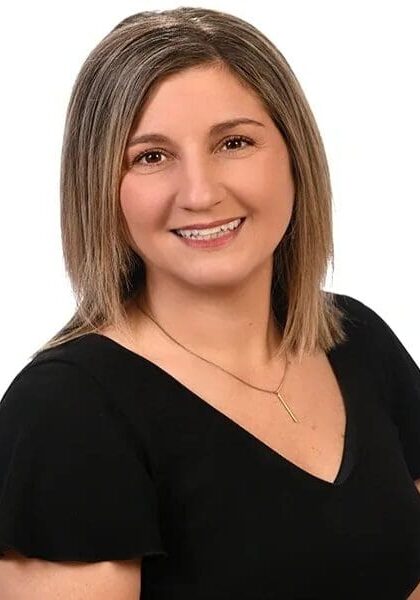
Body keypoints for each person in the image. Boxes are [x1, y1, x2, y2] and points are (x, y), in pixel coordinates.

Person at [0, 7, 419, 600]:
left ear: (294, 156)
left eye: (234, 142)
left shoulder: (359, 340)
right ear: (98, 188)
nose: (200, 192)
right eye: (151, 156)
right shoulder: (63, 416)